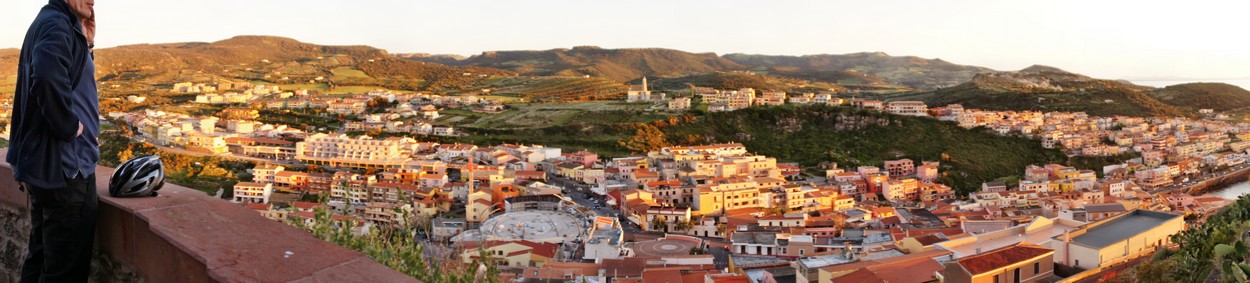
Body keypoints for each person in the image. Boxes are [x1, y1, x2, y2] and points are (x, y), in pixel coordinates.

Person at [11, 0, 99, 281]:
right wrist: (69, 126)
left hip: (48, 167)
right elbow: (47, 76)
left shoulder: (51, 21)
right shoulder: (56, 23)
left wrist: (86, 43)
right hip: (67, 169)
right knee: (64, 272)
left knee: (41, 259)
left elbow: (68, 76)